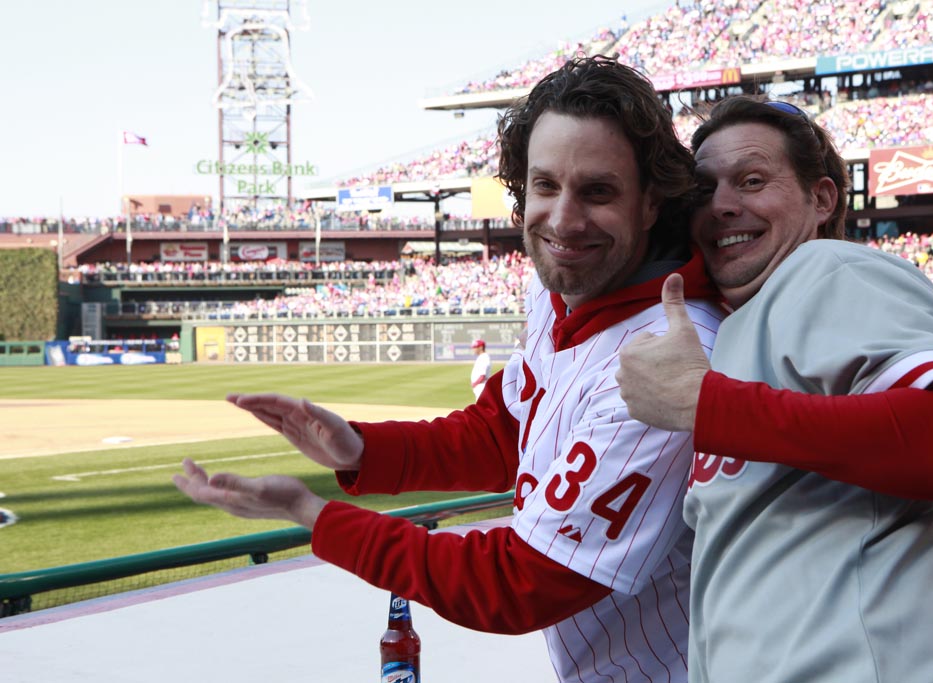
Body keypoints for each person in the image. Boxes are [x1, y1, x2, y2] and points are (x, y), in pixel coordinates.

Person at [174, 55, 723, 682]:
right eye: (546, 186)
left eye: (598, 191)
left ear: (651, 203)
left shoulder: (670, 357)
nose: (564, 219)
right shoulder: (565, 294)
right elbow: (507, 431)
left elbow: (517, 583)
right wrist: (361, 450)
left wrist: (311, 513)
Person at [616, 95, 933, 682]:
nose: (723, 205)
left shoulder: (827, 268)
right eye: (704, 192)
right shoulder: (742, 327)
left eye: (752, 181)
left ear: (821, 199)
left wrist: (707, 405)